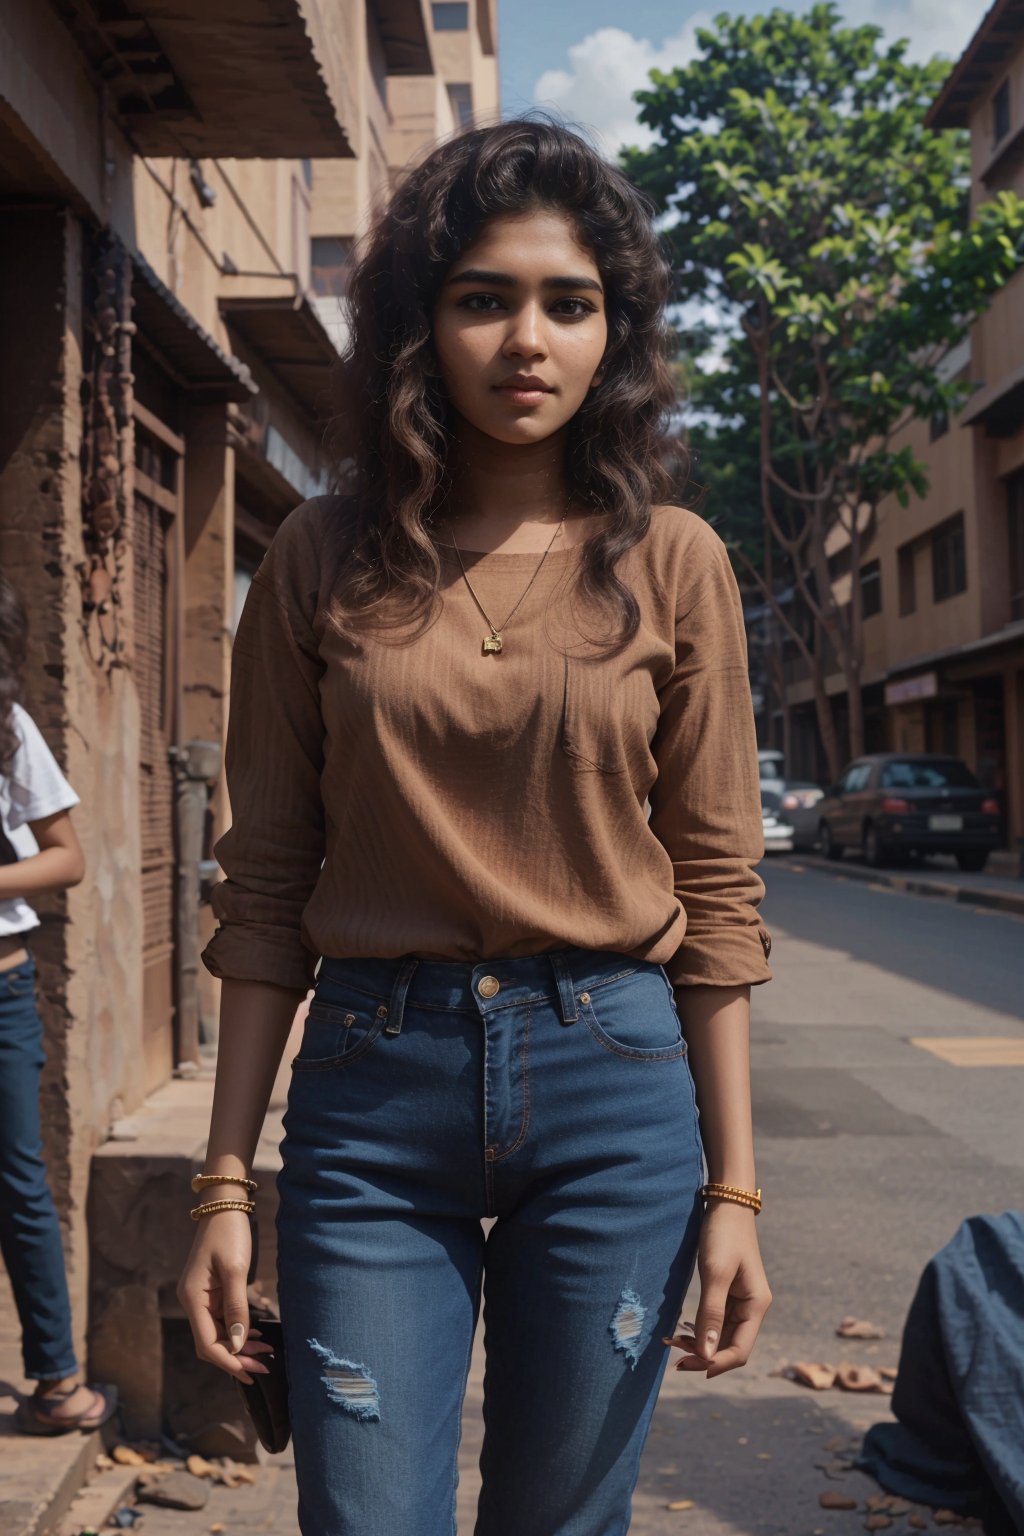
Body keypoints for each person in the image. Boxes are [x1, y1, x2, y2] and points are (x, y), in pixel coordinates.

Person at [178, 119, 773, 1534]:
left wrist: (737, 1192)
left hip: (613, 1083)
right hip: (375, 1089)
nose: (527, 340)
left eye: (570, 304)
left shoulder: (675, 561)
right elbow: (263, 883)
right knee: (366, 1516)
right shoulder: (326, 553)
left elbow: (719, 885)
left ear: (613, 333)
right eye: (483, 298)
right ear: (419, 326)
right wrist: (222, 1182)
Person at [0, 574, 117, 1435]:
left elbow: (66, 857)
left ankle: (56, 1381)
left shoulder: (8, 729)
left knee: (19, 1186)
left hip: (1, 990)